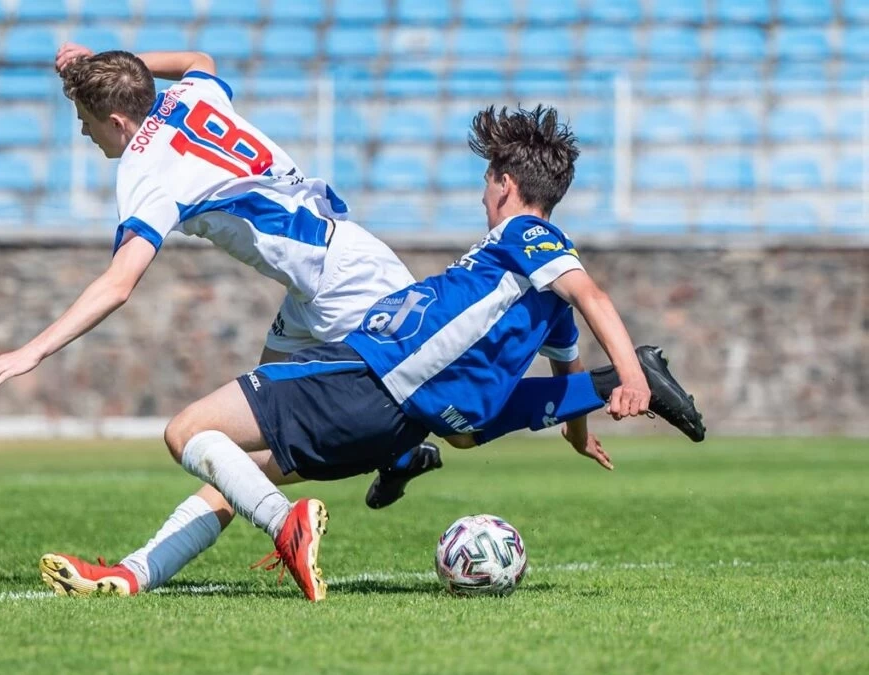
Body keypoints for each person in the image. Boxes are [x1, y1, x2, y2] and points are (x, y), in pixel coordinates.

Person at [39, 104, 706, 602]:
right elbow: (565, 356)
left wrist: (630, 377)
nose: (482, 194)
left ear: (504, 183)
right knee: (239, 473)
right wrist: (584, 421)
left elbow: (591, 293)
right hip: (406, 417)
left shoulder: (528, 236)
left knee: (189, 431)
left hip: (367, 381)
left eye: (485, 181)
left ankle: (290, 523)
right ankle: (134, 573)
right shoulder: (529, 291)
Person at [0, 46, 442, 597]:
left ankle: (303, 512)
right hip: (331, 270)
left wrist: (33, 351)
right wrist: (112, 64)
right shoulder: (189, 97)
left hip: (348, 289)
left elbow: (118, 284)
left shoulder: (145, 170)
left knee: (233, 442)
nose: (82, 132)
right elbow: (201, 59)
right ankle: (135, 573)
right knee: (238, 456)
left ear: (117, 122)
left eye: (85, 120)